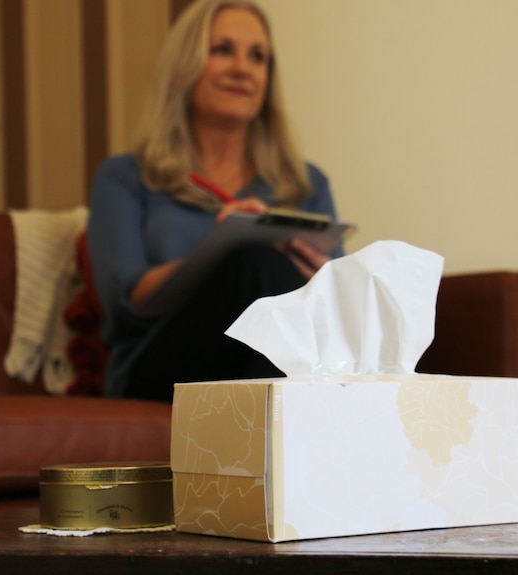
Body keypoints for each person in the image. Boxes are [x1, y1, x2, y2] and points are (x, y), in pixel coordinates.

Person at [86, 0, 344, 401]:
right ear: (185, 64)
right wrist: (219, 250)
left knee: (295, 293)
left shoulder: (306, 184)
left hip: (284, 362)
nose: (242, 68)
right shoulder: (125, 177)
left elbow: (338, 314)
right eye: (223, 49)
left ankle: (283, 442)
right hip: (162, 367)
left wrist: (323, 283)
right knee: (253, 264)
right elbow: (123, 302)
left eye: (257, 56)